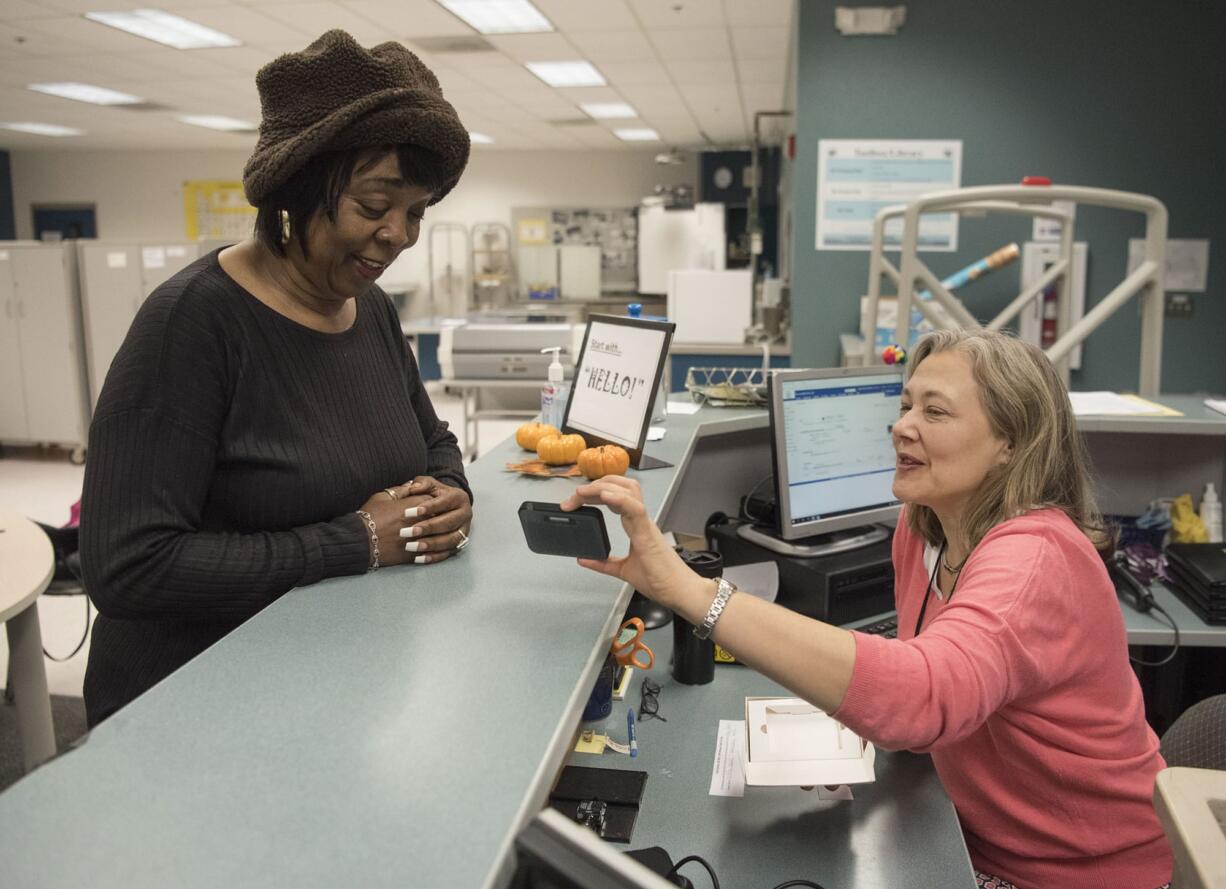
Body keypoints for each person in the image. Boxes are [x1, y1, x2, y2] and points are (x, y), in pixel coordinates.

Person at [562, 329, 1172, 889]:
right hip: (972, 838)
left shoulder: (1034, 559)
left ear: (1012, 443)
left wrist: (690, 592)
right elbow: (925, 685)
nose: (903, 426)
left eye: (935, 411)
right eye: (906, 404)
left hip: (1072, 875)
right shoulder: (924, 525)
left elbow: (919, 698)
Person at [80, 30, 473, 727]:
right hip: (194, 708)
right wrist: (357, 540)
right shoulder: (193, 325)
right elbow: (127, 565)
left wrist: (448, 492)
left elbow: (433, 438)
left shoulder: (370, 309)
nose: (399, 235)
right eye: (374, 206)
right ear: (294, 192)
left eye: (416, 212)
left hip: (330, 687)